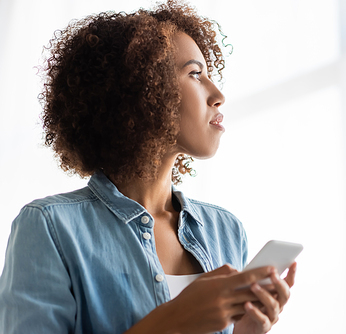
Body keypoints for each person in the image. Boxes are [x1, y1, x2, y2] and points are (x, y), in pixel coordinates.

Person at [0, 1, 297, 333]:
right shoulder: (50, 227)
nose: (218, 95)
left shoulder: (225, 230)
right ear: (142, 91)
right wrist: (175, 320)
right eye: (196, 74)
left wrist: (246, 330)